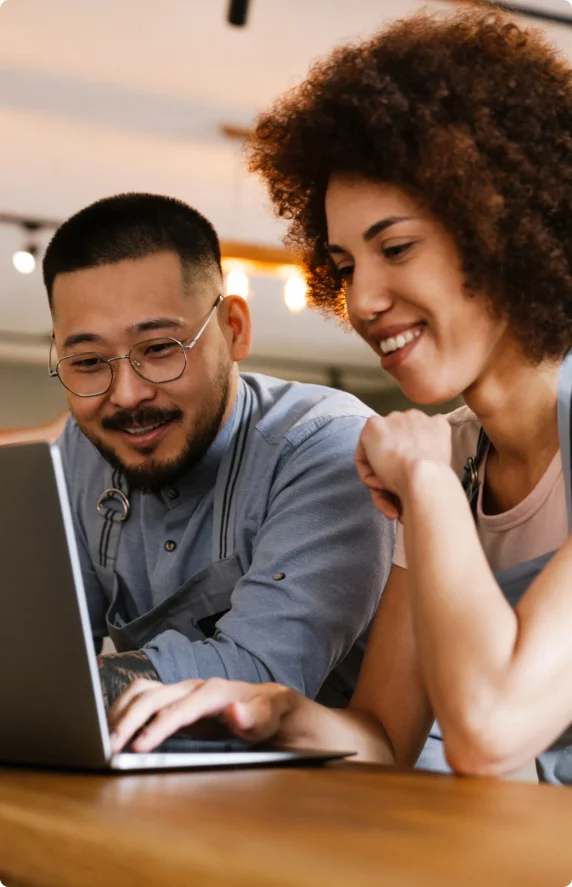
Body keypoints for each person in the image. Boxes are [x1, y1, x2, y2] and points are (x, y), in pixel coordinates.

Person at [107, 6, 572, 786]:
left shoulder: (428, 471)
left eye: (396, 248)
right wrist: (273, 710)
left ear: (503, 228)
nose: (360, 301)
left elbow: (491, 733)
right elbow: (389, 735)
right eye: (345, 264)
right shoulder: (448, 458)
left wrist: (426, 489)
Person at [43, 192, 394, 709]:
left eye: (160, 349)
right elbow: (47, 647)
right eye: (89, 362)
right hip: (177, 776)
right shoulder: (82, 451)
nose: (125, 396)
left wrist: (58, 687)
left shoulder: (328, 445)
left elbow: (263, 673)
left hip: (370, 785)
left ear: (234, 329)